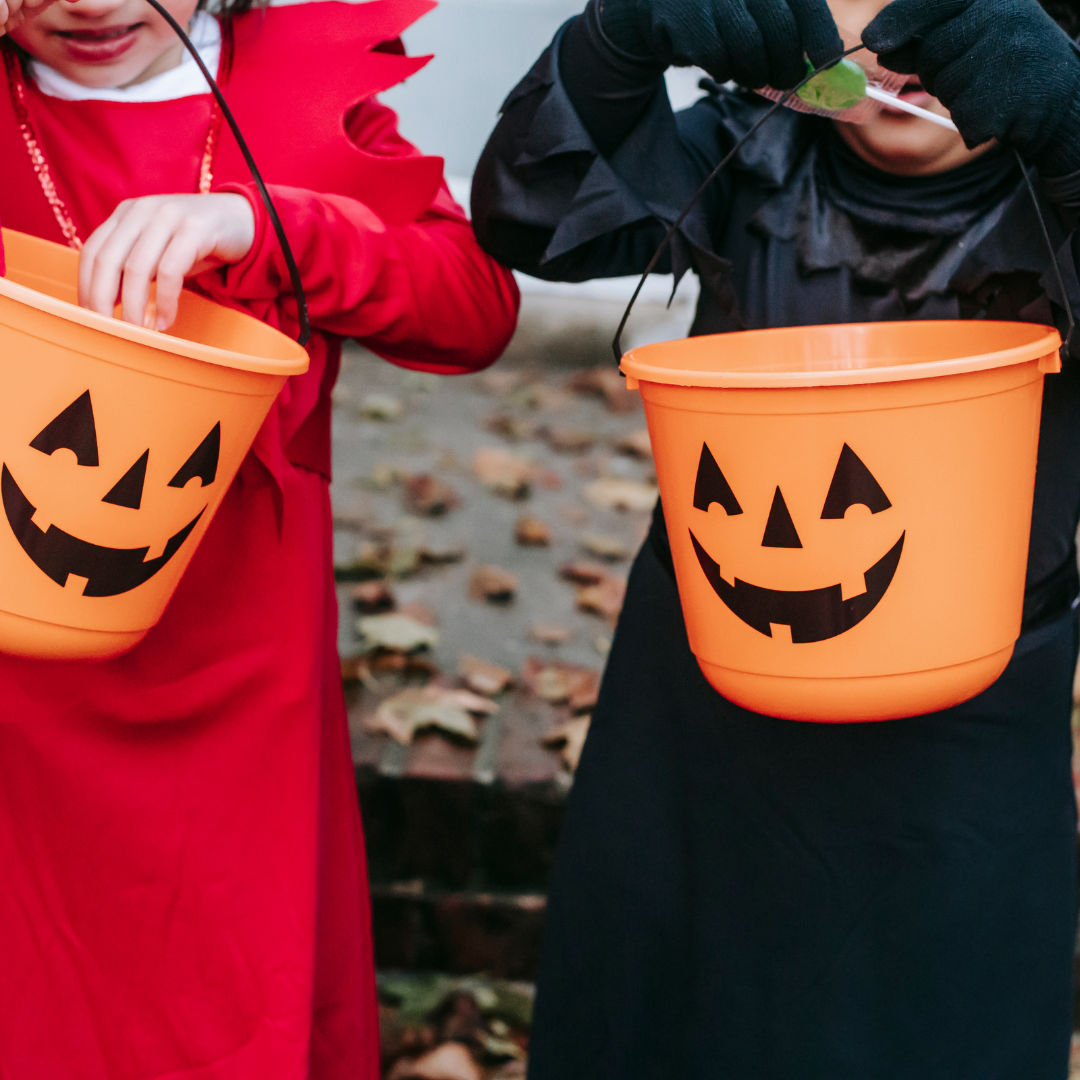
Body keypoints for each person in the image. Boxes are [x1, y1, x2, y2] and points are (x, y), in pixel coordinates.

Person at [472, 0, 1080, 1074]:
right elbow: (530, 213)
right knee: (667, 1010)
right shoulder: (743, 152)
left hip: (961, 745)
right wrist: (617, 39)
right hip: (705, 692)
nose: (904, 40)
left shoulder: (1060, 193)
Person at [0, 0, 519, 1073]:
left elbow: (472, 305)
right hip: (18, 693)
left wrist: (272, 226)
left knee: (224, 999)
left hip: (237, 670)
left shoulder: (296, 98)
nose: (92, 0)